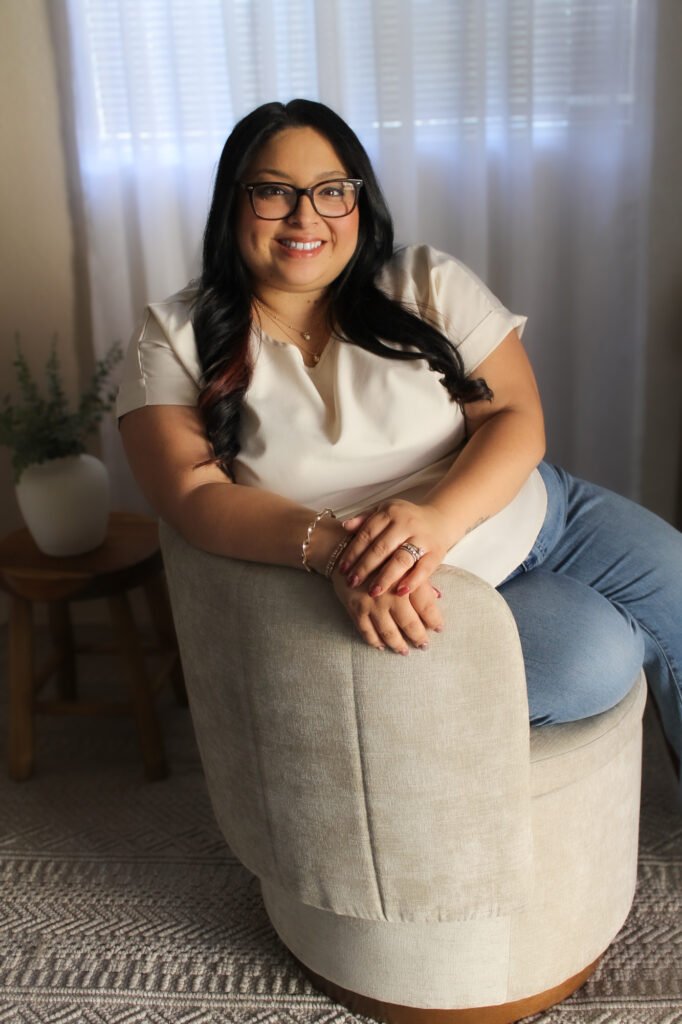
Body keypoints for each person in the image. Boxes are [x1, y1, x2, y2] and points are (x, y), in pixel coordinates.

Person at [117, 98, 682, 778]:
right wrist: (337, 555)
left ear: (360, 199)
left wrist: (437, 519)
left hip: (542, 511)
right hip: (418, 584)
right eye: (274, 192)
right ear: (233, 202)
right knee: (596, 659)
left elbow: (516, 418)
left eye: (332, 191)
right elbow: (189, 493)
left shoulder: (422, 278)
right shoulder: (173, 335)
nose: (306, 217)